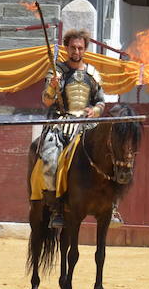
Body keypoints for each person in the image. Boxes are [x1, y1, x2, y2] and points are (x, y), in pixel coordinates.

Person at [36, 29, 108, 229]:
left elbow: (101, 102)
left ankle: (110, 205)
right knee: (50, 160)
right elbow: (46, 101)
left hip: (87, 125)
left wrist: (95, 110)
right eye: (73, 47)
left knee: (108, 156)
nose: (76, 51)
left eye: (80, 48)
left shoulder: (92, 74)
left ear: (85, 49)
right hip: (61, 123)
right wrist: (52, 86)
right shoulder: (56, 71)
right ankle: (55, 207)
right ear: (67, 48)